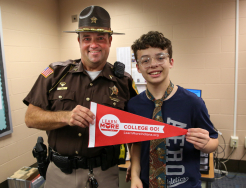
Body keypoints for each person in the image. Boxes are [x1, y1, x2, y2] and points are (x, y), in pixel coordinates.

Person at [23, 5, 138, 188]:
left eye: (100, 38)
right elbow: (30, 118)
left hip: (105, 173)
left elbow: (134, 126)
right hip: (60, 174)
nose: (94, 45)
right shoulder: (55, 73)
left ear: (109, 40)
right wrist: (65, 116)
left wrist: (135, 164)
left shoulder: (123, 82)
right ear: (79, 41)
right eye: (87, 39)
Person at [127, 31, 219, 188]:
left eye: (160, 57)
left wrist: (206, 143)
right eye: (145, 60)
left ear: (171, 62)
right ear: (138, 67)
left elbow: (214, 141)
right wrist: (135, 175)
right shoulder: (134, 106)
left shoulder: (193, 103)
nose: (153, 64)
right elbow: (137, 144)